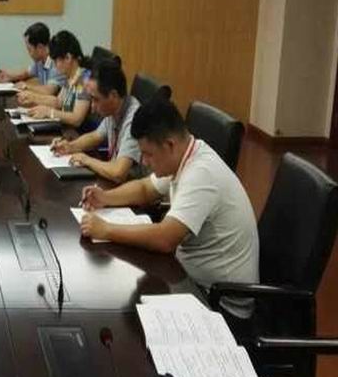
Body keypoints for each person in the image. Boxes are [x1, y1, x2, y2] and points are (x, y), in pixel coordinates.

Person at [77, 98, 259, 319]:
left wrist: (106, 230)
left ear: (170, 145)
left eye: (148, 154)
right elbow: (146, 189)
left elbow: (165, 239)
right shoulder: (185, 154)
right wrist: (105, 197)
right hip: (188, 278)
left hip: (220, 304)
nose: (144, 162)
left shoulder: (201, 173)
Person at [51, 61, 143, 183]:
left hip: (132, 185)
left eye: (95, 99)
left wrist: (86, 160)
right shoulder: (115, 109)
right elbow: (95, 136)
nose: (92, 107)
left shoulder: (134, 118)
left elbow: (119, 173)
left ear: (113, 95)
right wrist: (70, 146)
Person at [24, 30, 92, 129]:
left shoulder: (85, 80)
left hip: (78, 133)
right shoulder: (70, 76)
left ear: (68, 58)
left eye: (56, 61)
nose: (55, 66)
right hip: (68, 129)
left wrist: (50, 112)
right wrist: (33, 98)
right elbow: (58, 102)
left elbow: (77, 118)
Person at [0, 22, 66, 99]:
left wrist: (25, 86)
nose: (29, 53)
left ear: (40, 47)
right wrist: (8, 76)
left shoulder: (57, 63)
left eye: (29, 49)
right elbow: (26, 72)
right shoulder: (40, 62)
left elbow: (49, 91)